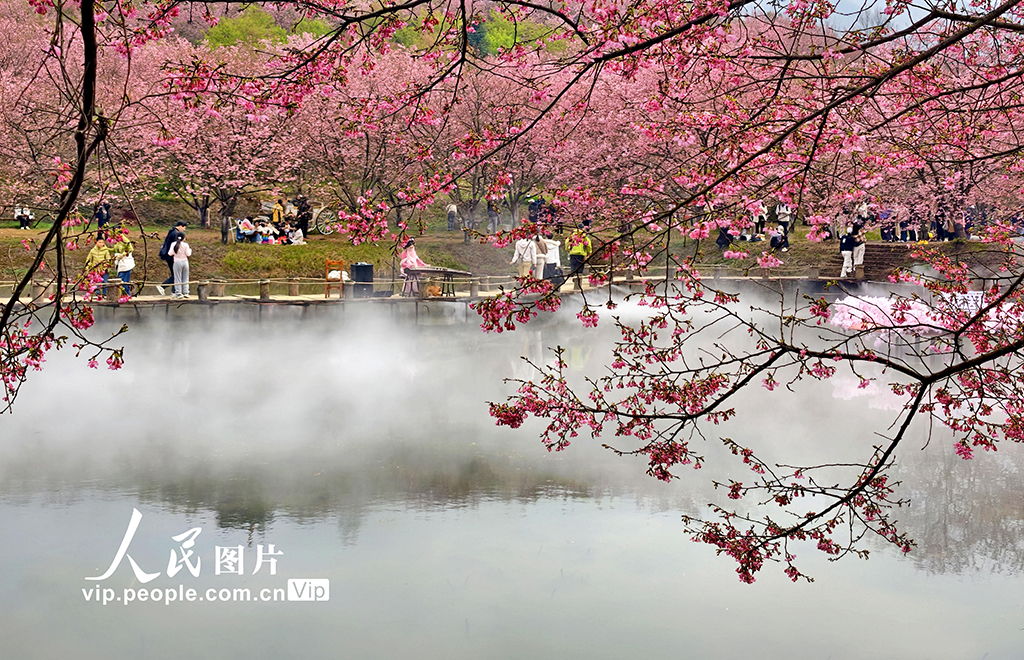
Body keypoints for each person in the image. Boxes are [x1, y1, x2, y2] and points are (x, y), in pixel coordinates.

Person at [156, 221, 185, 295]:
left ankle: (174, 291)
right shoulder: (175, 234)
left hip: (168, 255)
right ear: (180, 226)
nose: (184, 229)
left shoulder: (172, 232)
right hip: (171, 257)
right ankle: (162, 286)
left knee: (175, 274)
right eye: (184, 227)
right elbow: (175, 246)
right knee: (176, 274)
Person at [169, 231, 192, 298]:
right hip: (185, 262)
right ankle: (186, 292)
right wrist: (190, 250)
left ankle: (178, 293)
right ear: (184, 238)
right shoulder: (186, 245)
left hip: (177, 262)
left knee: (177, 278)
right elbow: (188, 254)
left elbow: (170, 253)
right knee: (185, 277)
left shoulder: (173, 244)